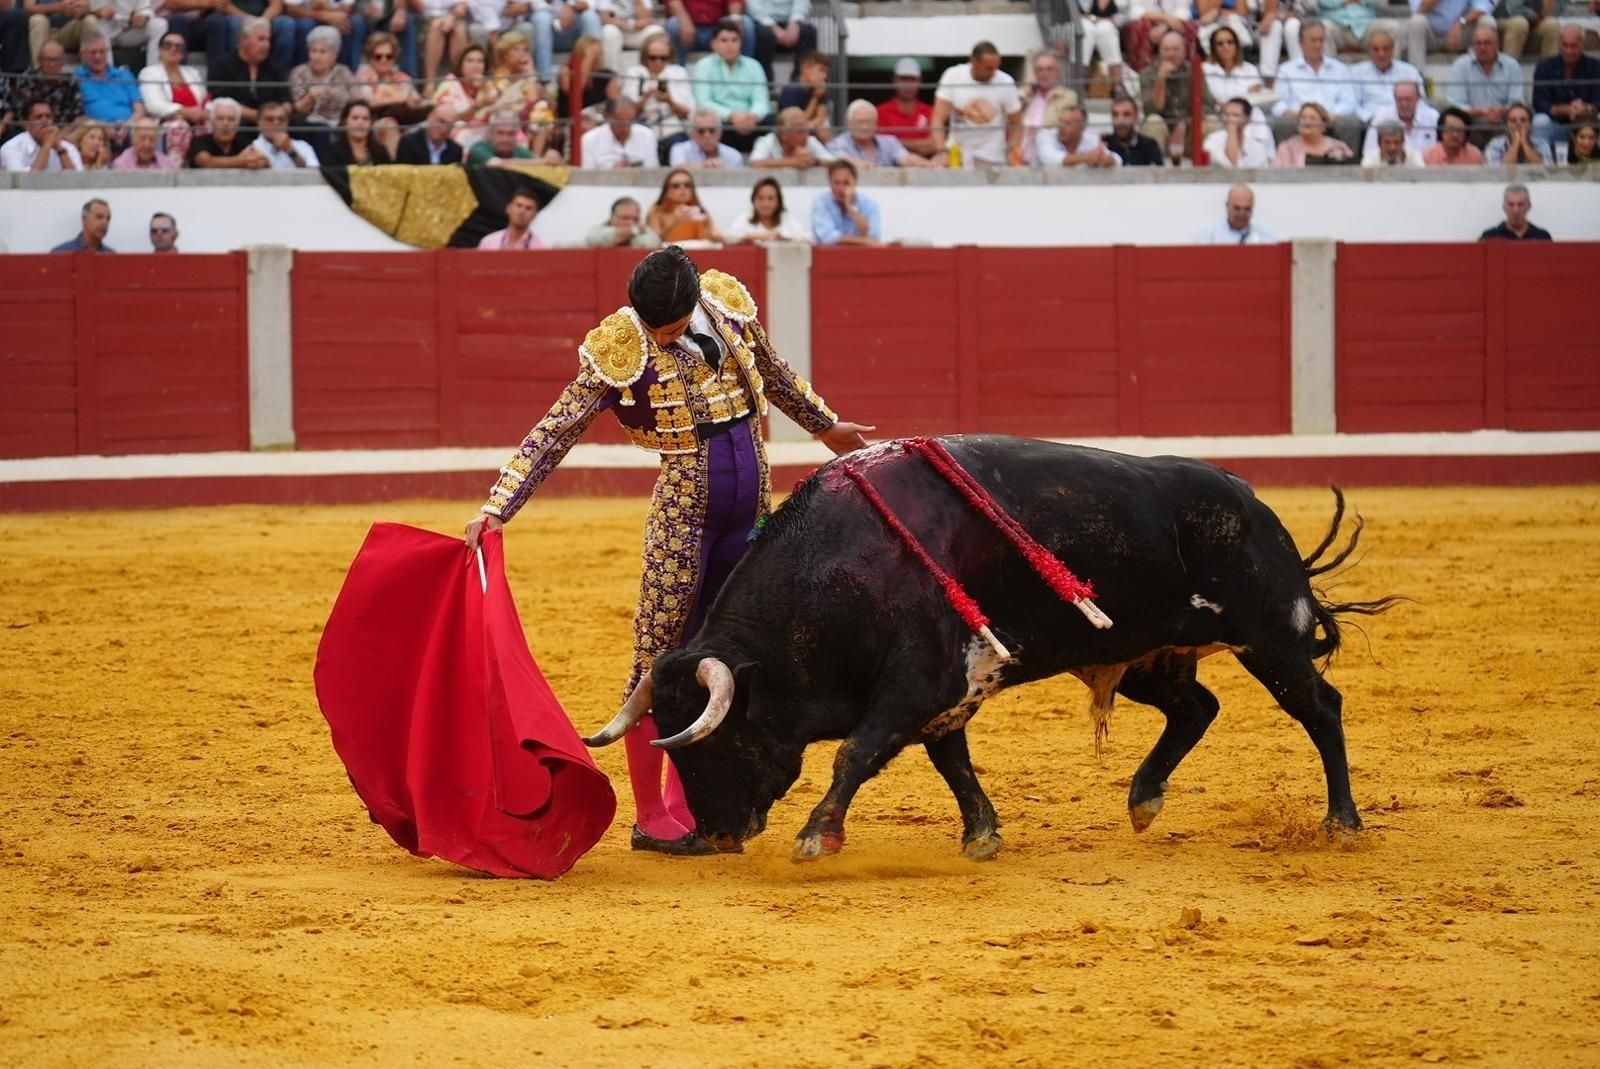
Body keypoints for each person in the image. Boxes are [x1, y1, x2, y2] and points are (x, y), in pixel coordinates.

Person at [462, 246, 870, 854]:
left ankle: (695, 797)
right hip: (684, 516)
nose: (664, 338)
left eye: (674, 329)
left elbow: (777, 376)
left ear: (693, 302)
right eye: (656, 330)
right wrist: (499, 504)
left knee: (733, 648)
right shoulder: (620, 347)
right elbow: (556, 428)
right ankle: (651, 813)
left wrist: (826, 427)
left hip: (750, 512)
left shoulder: (727, 307)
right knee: (660, 655)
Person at [931, 40, 1023, 166]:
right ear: (973, 61)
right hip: (956, 153)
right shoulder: (953, 76)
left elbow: (1017, 123)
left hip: (992, 156)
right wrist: (941, 151)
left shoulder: (1005, 82)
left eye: (996, 67)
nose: (993, 72)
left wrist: (1011, 152)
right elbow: (938, 119)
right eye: (988, 68)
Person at [1270, 19, 1359, 148]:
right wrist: (1299, 116)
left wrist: (1329, 117)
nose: (1318, 45)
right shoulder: (1286, 70)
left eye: (1321, 40)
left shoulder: (1340, 69)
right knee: (1283, 123)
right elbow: (1278, 104)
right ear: (1301, 42)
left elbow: (1349, 102)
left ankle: (1347, 165)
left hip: (1331, 120)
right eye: (1313, 40)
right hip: (1299, 121)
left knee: (1351, 123)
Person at [690, 17, 768, 154]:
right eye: (724, 40)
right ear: (713, 44)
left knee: (773, 122)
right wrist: (732, 116)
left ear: (741, 43)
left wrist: (753, 116)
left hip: (750, 122)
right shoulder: (703, 66)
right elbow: (703, 102)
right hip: (721, 122)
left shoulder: (754, 66)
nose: (730, 45)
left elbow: (761, 101)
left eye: (734, 40)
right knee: (708, 125)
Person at [1141, 28, 1219, 162]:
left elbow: (1208, 105)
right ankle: (1153, 171)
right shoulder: (1147, 74)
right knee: (1153, 122)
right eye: (1166, 49)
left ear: (1184, 52)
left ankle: (1211, 170)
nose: (1171, 54)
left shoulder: (1194, 71)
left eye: (1176, 49)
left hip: (1189, 135)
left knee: (1212, 122)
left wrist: (1185, 123)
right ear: (1160, 52)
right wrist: (1161, 78)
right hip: (1163, 134)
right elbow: (1151, 110)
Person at [1445, 22, 1524, 141]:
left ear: (1498, 45)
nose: (1482, 48)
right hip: (1470, 127)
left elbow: (1517, 102)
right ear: (1473, 46)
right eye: (1478, 43)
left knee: (1520, 120)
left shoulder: (1512, 66)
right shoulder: (1461, 65)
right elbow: (1455, 104)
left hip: (1503, 126)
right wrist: (1482, 112)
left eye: (1487, 43)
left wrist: (1500, 112)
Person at [207, 17, 290, 126]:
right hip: (236, 124)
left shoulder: (275, 68)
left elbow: (287, 100)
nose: (266, 45)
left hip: (273, 124)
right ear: (244, 40)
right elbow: (220, 101)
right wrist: (260, 117)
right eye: (261, 39)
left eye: (268, 40)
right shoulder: (221, 66)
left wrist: (279, 115)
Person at [1531, 25, 1600, 149]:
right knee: (1540, 121)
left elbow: (1598, 100)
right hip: (1557, 126)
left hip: (1589, 128)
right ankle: (1541, 162)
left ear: (1582, 45)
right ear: (1559, 44)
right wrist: (1566, 109)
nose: (1569, 51)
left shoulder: (1595, 66)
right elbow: (1539, 102)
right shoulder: (1544, 67)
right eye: (1565, 45)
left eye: (1574, 46)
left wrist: (1586, 109)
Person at [620, 32, 690, 147]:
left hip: (671, 125)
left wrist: (669, 100)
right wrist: (646, 97)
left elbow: (687, 113)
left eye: (663, 58)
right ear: (645, 56)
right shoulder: (634, 72)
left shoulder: (679, 72)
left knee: (678, 142)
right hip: (641, 124)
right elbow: (627, 113)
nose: (658, 62)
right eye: (653, 58)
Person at [290, 23, 357, 137]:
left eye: (322, 52)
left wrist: (330, 92)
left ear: (334, 55)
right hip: (309, 129)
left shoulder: (343, 72)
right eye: (313, 51)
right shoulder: (299, 73)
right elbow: (295, 110)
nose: (316, 57)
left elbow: (356, 101)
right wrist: (309, 98)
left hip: (339, 126)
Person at [75, 30, 145, 136]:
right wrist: (104, 128)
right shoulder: (76, 78)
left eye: (102, 52)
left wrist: (129, 125)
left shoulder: (124, 75)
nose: (98, 57)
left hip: (129, 129)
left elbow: (139, 108)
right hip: (95, 132)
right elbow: (78, 118)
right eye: (93, 52)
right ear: (82, 54)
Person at [828, 97, 930, 168]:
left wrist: (926, 163)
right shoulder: (839, 143)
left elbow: (906, 158)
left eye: (869, 122)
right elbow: (839, 160)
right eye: (860, 122)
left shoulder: (890, 142)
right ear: (848, 124)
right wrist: (858, 165)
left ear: (876, 124)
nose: (865, 127)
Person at [1349, 28, 1423, 123]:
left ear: (1392, 50)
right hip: (1372, 122)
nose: (1381, 54)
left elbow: (1421, 100)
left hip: (1405, 120)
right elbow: (1353, 104)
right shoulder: (1357, 73)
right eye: (1376, 50)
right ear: (1369, 51)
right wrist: (1370, 118)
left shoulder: (1409, 71)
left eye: (1385, 49)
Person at [139, 29, 208, 130]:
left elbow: (204, 99)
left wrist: (203, 113)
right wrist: (185, 112)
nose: (173, 49)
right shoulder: (149, 73)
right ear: (160, 50)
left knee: (217, 121)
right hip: (167, 122)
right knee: (179, 126)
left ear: (184, 53)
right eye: (168, 45)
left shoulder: (193, 73)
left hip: (197, 121)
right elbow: (153, 105)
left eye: (179, 47)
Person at [431, 44, 498, 146]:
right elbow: (451, 118)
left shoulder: (489, 86)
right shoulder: (449, 85)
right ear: (461, 65)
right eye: (469, 61)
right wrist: (476, 106)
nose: (475, 65)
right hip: (456, 135)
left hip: (486, 134)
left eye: (480, 61)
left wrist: (484, 88)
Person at [1017, 51, 1077, 165]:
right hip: (1022, 158)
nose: (1044, 74)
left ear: (1058, 73)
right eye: (1039, 70)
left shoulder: (1068, 97)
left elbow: (1065, 127)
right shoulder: (1027, 96)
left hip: (1051, 156)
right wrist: (1026, 91)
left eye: (1049, 69)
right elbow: (1011, 114)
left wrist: (1038, 132)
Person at [811, 157, 882, 247]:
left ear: (855, 183)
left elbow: (873, 237)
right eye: (837, 183)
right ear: (830, 183)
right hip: (831, 257)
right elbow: (827, 237)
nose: (840, 188)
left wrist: (850, 207)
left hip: (862, 257)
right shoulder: (821, 202)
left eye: (846, 183)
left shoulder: (869, 204)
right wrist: (863, 241)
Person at [877, 55, 937, 158]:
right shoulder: (881, 112)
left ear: (920, 81)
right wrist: (920, 145)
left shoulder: (930, 111)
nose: (908, 84)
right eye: (903, 79)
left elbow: (934, 145)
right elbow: (880, 147)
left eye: (912, 79)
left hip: (926, 169)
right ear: (894, 80)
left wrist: (897, 143)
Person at [663, 0, 755, 67]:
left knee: (746, 24)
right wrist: (684, 20)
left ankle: (744, 70)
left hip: (718, 28)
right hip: (690, 27)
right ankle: (678, 72)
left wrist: (735, 18)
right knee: (674, 25)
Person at [1360, 79, 1438, 157]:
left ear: (1418, 98)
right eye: (1399, 99)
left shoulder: (1433, 117)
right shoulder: (1382, 116)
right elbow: (1369, 152)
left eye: (1408, 99)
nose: (1404, 104)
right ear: (1394, 99)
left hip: (1428, 167)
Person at [532, 0, 601, 86]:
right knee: (541, 18)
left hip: (575, 21)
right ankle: (545, 80)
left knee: (591, 17)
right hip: (548, 20)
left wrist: (570, 7)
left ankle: (592, 77)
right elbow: (533, 4)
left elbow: (588, 4)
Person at [13, 40, 81, 126]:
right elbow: (21, 115)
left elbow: (77, 115)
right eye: (48, 60)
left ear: (63, 62)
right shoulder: (26, 79)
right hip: (32, 131)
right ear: (39, 61)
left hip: (62, 133)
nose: (52, 64)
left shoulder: (71, 82)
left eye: (56, 60)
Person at [647, 167, 724, 243]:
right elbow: (655, 242)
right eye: (675, 186)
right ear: (667, 191)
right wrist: (675, 221)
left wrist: (707, 227)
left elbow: (715, 235)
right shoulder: (657, 211)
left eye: (687, 185)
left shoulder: (701, 210)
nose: (682, 188)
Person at [1404, 0, 1493, 67]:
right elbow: (1418, 11)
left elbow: (1484, 6)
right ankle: (1417, 79)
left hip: (1461, 34)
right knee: (1416, 21)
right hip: (1431, 37)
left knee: (1487, 21)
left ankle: (1487, 77)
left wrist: (1461, 22)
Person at [188, 95, 269, 167]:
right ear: (212, 122)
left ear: (238, 124)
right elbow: (206, 162)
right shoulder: (198, 141)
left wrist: (260, 162)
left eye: (231, 119)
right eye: (220, 118)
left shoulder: (243, 143)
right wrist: (240, 161)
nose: (225, 123)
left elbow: (261, 160)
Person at [0, 97, 81, 169]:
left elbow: (79, 183)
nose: (45, 121)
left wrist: (60, 149)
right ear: (26, 124)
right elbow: (25, 183)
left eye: (48, 116)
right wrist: (46, 146)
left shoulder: (67, 147)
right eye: (38, 117)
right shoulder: (11, 148)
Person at [726, 174, 810, 242]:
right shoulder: (746, 218)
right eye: (760, 198)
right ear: (753, 201)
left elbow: (809, 239)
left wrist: (784, 238)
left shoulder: (786, 218)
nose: (765, 204)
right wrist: (754, 237)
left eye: (770, 198)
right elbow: (727, 238)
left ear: (778, 202)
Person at [580, 93, 656, 166]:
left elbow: (652, 172)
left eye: (630, 122)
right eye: (621, 123)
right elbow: (587, 175)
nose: (626, 128)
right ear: (608, 117)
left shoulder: (647, 135)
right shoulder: (589, 140)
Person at [747, 0, 813, 82]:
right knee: (763, 34)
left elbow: (802, 3)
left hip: (791, 21)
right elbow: (754, 7)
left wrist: (794, 23)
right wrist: (774, 28)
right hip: (764, 22)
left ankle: (799, 81)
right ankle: (766, 82)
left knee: (809, 32)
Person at [1037, 103, 1121, 167]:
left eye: (1068, 124)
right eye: (1060, 121)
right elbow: (1051, 159)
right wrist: (1086, 158)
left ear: (1082, 128)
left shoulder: (1091, 138)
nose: (1061, 127)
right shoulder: (1045, 135)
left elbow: (1118, 160)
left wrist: (1107, 160)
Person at [1273, 100, 1355, 165]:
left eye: (1313, 118)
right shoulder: (1287, 148)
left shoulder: (1340, 148)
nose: (1307, 122)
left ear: (1324, 125)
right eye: (1303, 118)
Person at [749, 103, 831, 167]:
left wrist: (814, 161)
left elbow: (834, 162)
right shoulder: (767, 141)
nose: (805, 136)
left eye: (807, 130)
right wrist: (793, 162)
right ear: (783, 135)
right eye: (800, 132)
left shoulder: (810, 140)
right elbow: (755, 163)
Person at [774, 48, 830, 139]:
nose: (825, 76)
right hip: (790, 128)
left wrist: (810, 125)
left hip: (810, 126)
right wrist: (815, 98)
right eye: (821, 70)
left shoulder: (821, 88)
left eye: (826, 72)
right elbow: (796, 121)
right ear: (806, 68)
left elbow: (821, 117)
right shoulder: (790, 90)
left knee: (823, 128)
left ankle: (828, 152)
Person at [1203, 95, 1275, 167]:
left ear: (1248, 119)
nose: (1230, 119)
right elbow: (1231, 165)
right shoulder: (1213, 140)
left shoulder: (1257, 148)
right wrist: (1232, 131)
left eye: (1236, 115)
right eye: (1227, 115)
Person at [597, 0, 663, 75]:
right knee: (609, 31)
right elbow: (604, 18)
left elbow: (647, 19)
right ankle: (612, 78)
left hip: (635, 32)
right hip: (615, 30)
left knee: (656, 31)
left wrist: (637, 2)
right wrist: (626, 25)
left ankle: (653, 77)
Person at [250, 96, 319, 166]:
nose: (276, 123)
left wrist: (291, 151)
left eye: (281, 119)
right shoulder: (251, 148)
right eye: (269, 119)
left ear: (287, 122)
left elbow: (315, 173)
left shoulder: (303, 146)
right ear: (259, 122)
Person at [1197, 183, 1274, 244]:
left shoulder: (1265, 239)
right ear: (1227, 207)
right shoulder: (1209, 237)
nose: (1242, 214)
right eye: (1237, 208)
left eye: (1247, 209)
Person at [23, 0, 101, 61]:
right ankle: (39, 72)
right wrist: (58, 7)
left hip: (68, 31)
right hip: (45, 31)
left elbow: (86, 7)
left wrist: (79, 9)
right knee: (37, 19)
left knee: (90, 20)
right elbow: (29, 8)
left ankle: (91, 71)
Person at [1202, 25, 1261, 102]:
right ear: (1213, 48)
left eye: (1230, 42)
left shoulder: (1250, 69)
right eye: (1220, 43)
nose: (1226, 46)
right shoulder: (1204, 69)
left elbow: (1252, 99)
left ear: (1237, 45)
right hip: (1214, 112)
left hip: (1244, 113)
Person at [323, 97, 392, 163]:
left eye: (365, 118)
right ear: (345, 122)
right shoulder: (333, 153)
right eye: (355, 118)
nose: (360, 123)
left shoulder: (381, 152)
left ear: (371, 123)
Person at [668, 105, 743, 166]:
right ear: (692, 133)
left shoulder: (734, 155)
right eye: (701, 131)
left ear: (720, 132)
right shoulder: (680, 149)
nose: (707, 135)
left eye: (712, 130)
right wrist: (707, 166)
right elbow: (677, 169)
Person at [1483, 101, 1554, 163]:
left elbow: (1546, 170)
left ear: (1531, 126)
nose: (1518, 124)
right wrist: (1516, 142)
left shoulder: (1541, 144)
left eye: (1523, 120)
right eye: (1513, 121)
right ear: (1506, 127)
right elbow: (1499, 173)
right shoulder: (1495, 145)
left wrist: (1525, 144)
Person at [1104, 93, 1165, 165]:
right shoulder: (1105, 146)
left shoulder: (1150, 146)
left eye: (1126, 114)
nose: (1120, 120)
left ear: (1136, 117)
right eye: (1115, 115)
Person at [1076, 0, 1125, 87]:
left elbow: (1101, 11)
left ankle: (1119, 88)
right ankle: (1078, 87)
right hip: (1077, 22)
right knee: (1085, 31)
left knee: (1107, 29)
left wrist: (1094, 17)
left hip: (1102, 21)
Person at [478, 189, 548, 248]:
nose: (522, 212)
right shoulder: (488, 243)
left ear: (535, 215)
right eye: (518, 205)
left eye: (528, 208)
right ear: (508, 208)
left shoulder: (540, 247)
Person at [1479, 182, 1551, 239]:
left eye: (1520, 204)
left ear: (1529, 206)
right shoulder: (1489, 237)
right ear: (1504, 207)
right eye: (1511, 204)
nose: (1515, 210)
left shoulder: (1542, 237)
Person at [583, 195, 662, 247]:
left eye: (635, 219)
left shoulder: (645, 230)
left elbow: (650, 244)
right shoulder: (598, 229)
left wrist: (620, 237)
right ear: (612, 217)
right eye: (625, 218)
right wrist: (634, 231)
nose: (631, 223)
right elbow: (593, 239)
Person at [398, 100, 464, 161]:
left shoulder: (455, 150)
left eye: (449, 125)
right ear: (429, 117)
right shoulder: (409, 144)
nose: (444, 128)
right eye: (441, 121)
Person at [1421, 105, 1486, 163]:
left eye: (1460, 130)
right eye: (1451, 129)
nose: (1455, 135)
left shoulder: (1474, 155)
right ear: (1441, 131)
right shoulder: (1427, 156)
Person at [111, 113, 180, 167]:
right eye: (142, 138)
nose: (147, 144)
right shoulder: (121, 165)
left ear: (157, 142)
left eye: (152, 139)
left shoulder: (168, 165)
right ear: (133, 139)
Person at [466, 108, 532, 163]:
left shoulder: (520, 152)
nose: (505, 139)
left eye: (511, 134)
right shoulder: (478, 149)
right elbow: (498, 164)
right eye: (500, 133)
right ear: (491, 133)